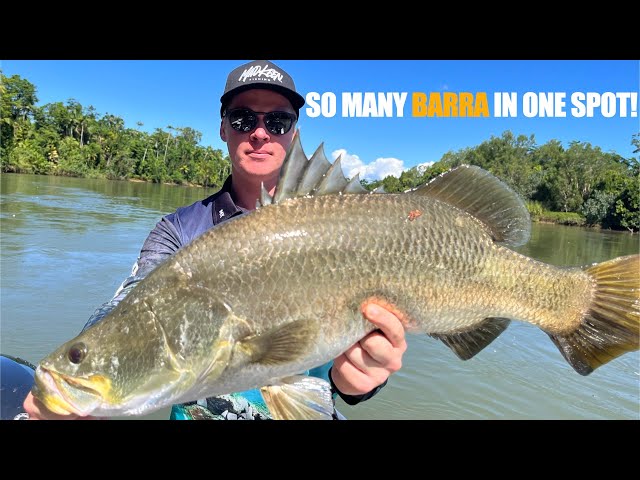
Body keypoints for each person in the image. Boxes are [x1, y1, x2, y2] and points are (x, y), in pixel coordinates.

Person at [23, 60, 408, 420]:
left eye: (277, 121)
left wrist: (361, 381)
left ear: (292, 133)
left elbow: (357, 371)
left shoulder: (347, 227)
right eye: (243, 119)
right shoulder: (179, 231)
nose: (260, 133)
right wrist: (83, 365)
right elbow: (127, 303)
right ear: (223, 128)